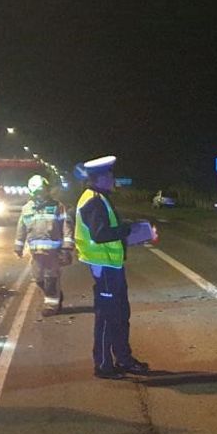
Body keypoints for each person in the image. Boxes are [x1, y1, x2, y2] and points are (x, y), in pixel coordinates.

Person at [74, 155, 154, 379]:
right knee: (108, 317)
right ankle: (103, 365)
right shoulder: (93, 201)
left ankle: (124, 359)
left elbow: (107, 230)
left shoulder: (101, 197)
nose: (113, 179)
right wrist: (127, 229)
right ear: (99, 178)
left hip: (112, 266)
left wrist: (132, 233)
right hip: (104, 268)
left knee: (120, 315)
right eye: (109, 175)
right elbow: (100, 235)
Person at [14, 174, 75, 316]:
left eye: (42, 192)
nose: (40, 195)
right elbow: (21, 228)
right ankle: (56, 295)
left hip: (53, 253)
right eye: (37, 192)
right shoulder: (27, 209)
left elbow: (67, 227)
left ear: (47, 191)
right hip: (36, 253)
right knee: (38, 278)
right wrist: (18, 246)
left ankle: (51, 306)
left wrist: (67, 248)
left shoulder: (57, 207)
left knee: (51, 278)